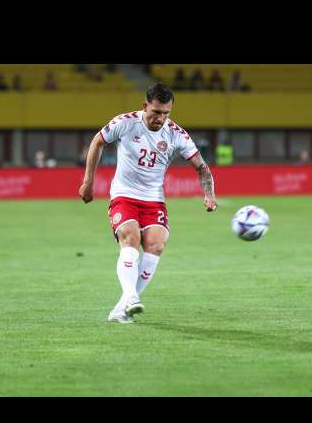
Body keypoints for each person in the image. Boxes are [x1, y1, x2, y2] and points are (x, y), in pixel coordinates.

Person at [78, 83, 218, 324]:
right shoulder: (125, 122)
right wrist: (88, 181)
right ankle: (131, 297)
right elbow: (97, 141)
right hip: (124, 195)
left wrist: (210, 193)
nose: (160, 119)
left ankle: (123, 306)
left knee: (156, 245)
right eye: (156, 112)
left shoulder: (176, 134)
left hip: (154, 199)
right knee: (130, 239)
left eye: (166, 113)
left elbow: (201, 166)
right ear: (145, 106)